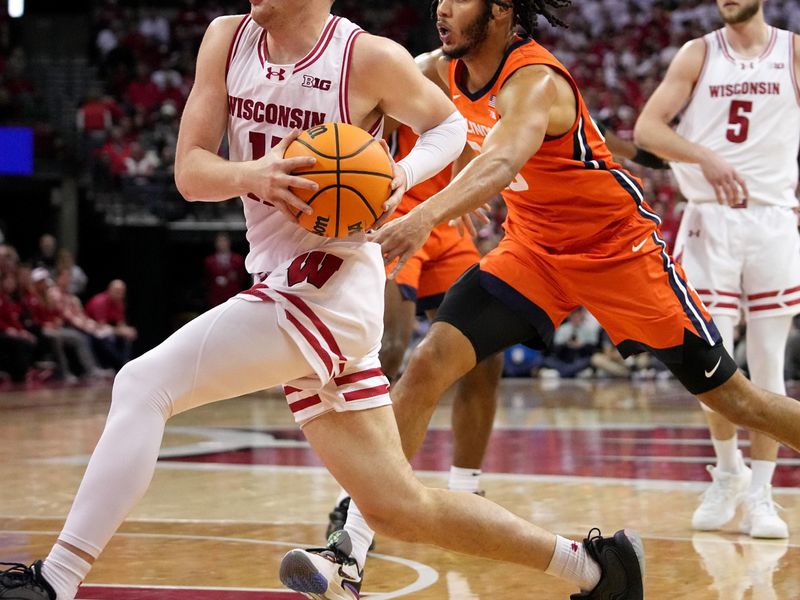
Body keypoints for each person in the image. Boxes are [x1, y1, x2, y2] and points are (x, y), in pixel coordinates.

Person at [0, 3, 645, 600]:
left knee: (144, 384)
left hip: (333, 282)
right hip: (281, 275)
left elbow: (447, 126)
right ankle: (596, 568)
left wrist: (397, 180)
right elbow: (189, 172)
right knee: (398, 507)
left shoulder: (366, 57)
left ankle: (55, 579)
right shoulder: (226, 41)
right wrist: (249, 175)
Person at [351, 0, 800, 591]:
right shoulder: (441, 67)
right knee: (430, 363)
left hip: (618, 253)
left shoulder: (536, 80)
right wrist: (411, 145)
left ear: (502, 10)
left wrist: (426, 214)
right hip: (535, 251)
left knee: (737, 400)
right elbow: (398, 88)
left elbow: (507, 155)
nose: (442, 7)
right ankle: (354, 535)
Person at [633, 0, 799, 539]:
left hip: (773, 218)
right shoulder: (698, 53)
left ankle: (762, 495)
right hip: (709, 221)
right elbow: (647, 131)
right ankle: (728, 472)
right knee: (713, 362)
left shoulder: (793, 52)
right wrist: (705, 157)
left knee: (771, 366)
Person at [326, 120, 503, 538]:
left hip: (445, 220)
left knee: (486, 352)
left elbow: (476, 142)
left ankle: (466, 491)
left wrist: (465, 176)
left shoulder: (490, 86)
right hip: (398, 216)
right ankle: (350, 497)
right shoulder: (421, 72)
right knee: (387, 350)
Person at [203, 232, 247, 308]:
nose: (222, 243)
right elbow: (207, 280)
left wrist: (233, 277)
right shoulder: (209, 261)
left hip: (232, 297)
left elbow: (242, 278)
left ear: (229, 242)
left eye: (224, 241)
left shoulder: (238, 260)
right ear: (215, 243)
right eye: (219, 241)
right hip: (215, 298)